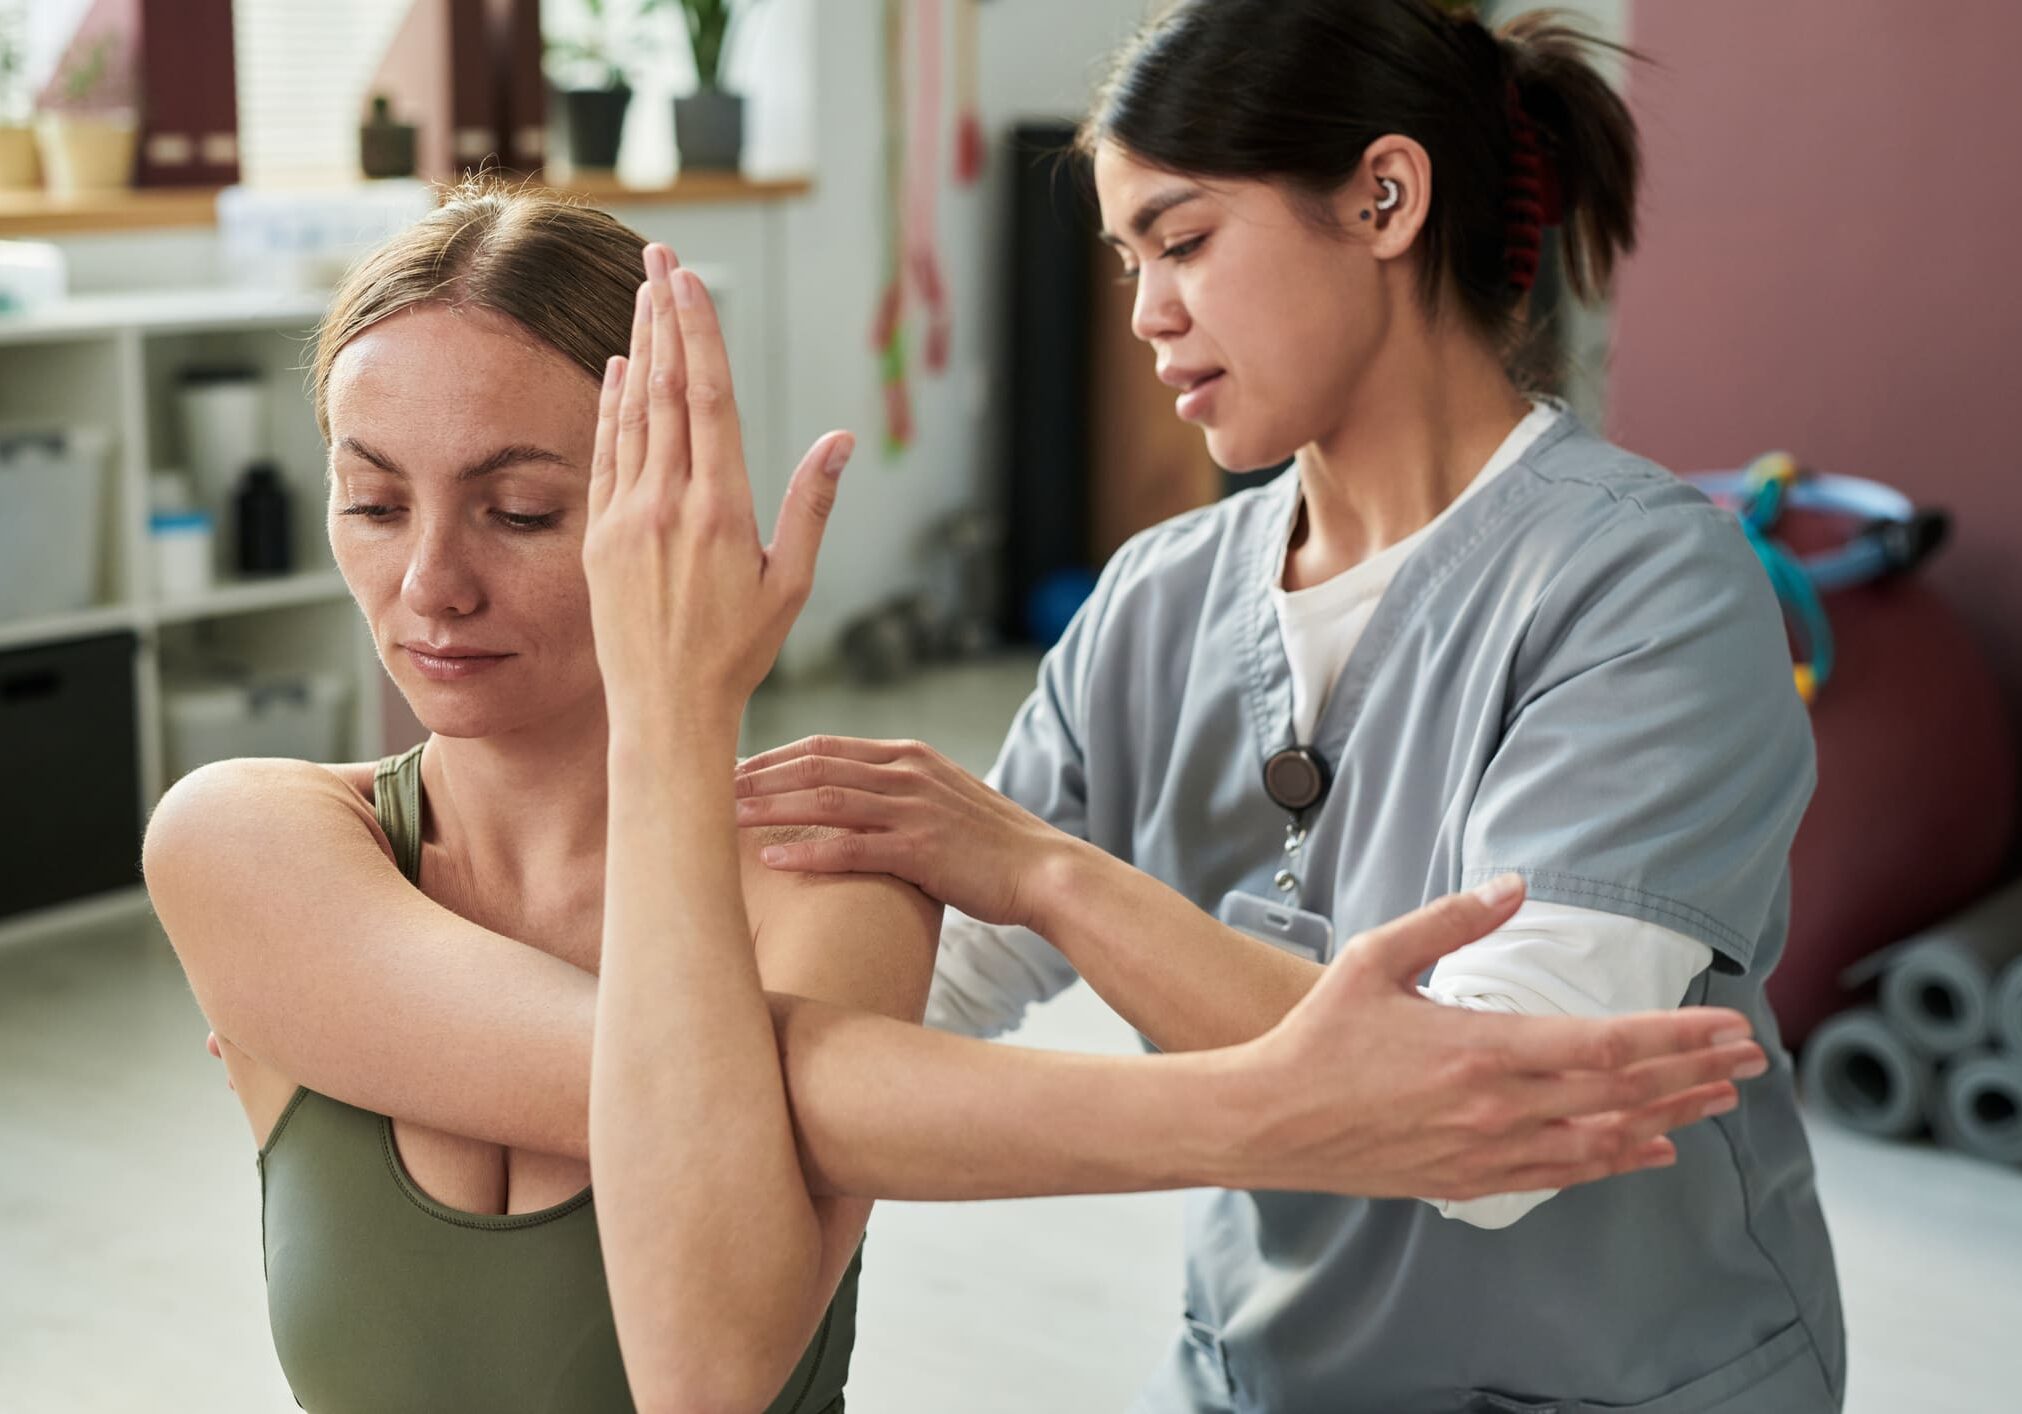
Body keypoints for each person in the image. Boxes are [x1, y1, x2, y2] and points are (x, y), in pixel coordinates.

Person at [145, 179, 1765, 1413]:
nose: (426, 582)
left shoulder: (831, 875)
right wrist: (1263, 1105)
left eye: (518, 507)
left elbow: (706, 1365)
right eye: (370, 501)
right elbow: (696, 1087)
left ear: (675, 505)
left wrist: (678, 709)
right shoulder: (251, 841)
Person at [730, 2, 1846, 1412]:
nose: (1143, 312)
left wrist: (1045, 873)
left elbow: (1497, 1124)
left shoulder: (1649, 587)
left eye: (1182, 240)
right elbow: (935, 982)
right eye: (1126, 260)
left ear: (1383, 196)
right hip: (1253, 1378)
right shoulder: (1152, 600)